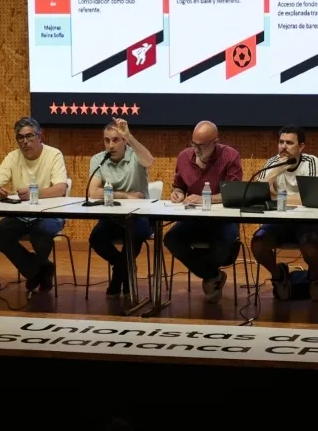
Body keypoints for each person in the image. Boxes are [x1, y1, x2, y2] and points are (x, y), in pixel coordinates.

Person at [0, 117, 68, 292]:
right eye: (20, 137)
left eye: (29, 136)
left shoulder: (54, 154)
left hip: (49, 213)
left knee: (41, 235)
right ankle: (39, 270)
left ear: (40, 137)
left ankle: (38, 270)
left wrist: (33, 194)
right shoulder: (12, 157)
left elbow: (60, 189)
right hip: (20, 214)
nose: (25, 141)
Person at [164, 120, 243, 303]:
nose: (196, 149)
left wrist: (205, 198)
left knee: (222, 247)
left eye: (202, 146)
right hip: (193, 219)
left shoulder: (230, 156)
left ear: (215, 143)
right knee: (171, 239)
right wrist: (178, 193)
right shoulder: (184, 157)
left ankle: (209, 273)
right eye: (194, 144)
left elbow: (233, 193)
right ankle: (213, 275)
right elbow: (178, 186)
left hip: (222, 220)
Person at [250, 124, 318, 302]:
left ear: (301, 147)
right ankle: (278, 276)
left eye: (289, 143)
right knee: (258, 244)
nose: (283, 146)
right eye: (281, 142)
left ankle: (315, 278)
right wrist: (277, 170)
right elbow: (257, 193)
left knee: (310, 243)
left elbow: (309, 198)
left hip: (308, 222)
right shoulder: (272, 163)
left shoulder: (311, 162)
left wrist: (276, 196)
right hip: (279, 222)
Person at [87, 118, 154, 298]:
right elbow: (93, 192)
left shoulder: (135, 156)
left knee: (135, 234)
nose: (111, 145)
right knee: (96, 239)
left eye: (116, 140)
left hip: (140, 216)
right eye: (107, 140)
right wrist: (125, 195)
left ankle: (118, 277)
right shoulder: (98, 159)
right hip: (113, 216)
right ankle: (124, 267)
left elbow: (149, 161)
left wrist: (129, 136)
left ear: (124, 141)